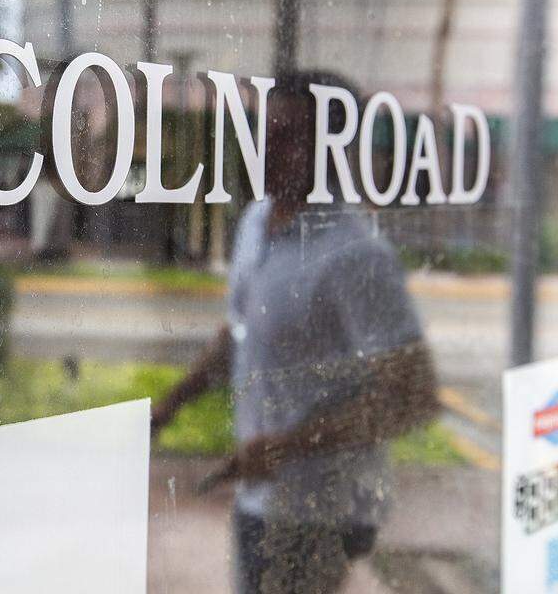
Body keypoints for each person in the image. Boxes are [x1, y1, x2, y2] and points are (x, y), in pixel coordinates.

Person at [151, 73, 440, 594]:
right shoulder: (256, 221)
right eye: (265, 130)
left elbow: (410, 397)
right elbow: (241, 329)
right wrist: (171, 405)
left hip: (322, 511)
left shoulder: (355, 256)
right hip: (262, 497)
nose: (266, 147)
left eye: (287, 137)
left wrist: (286, 448)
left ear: (332, 148)